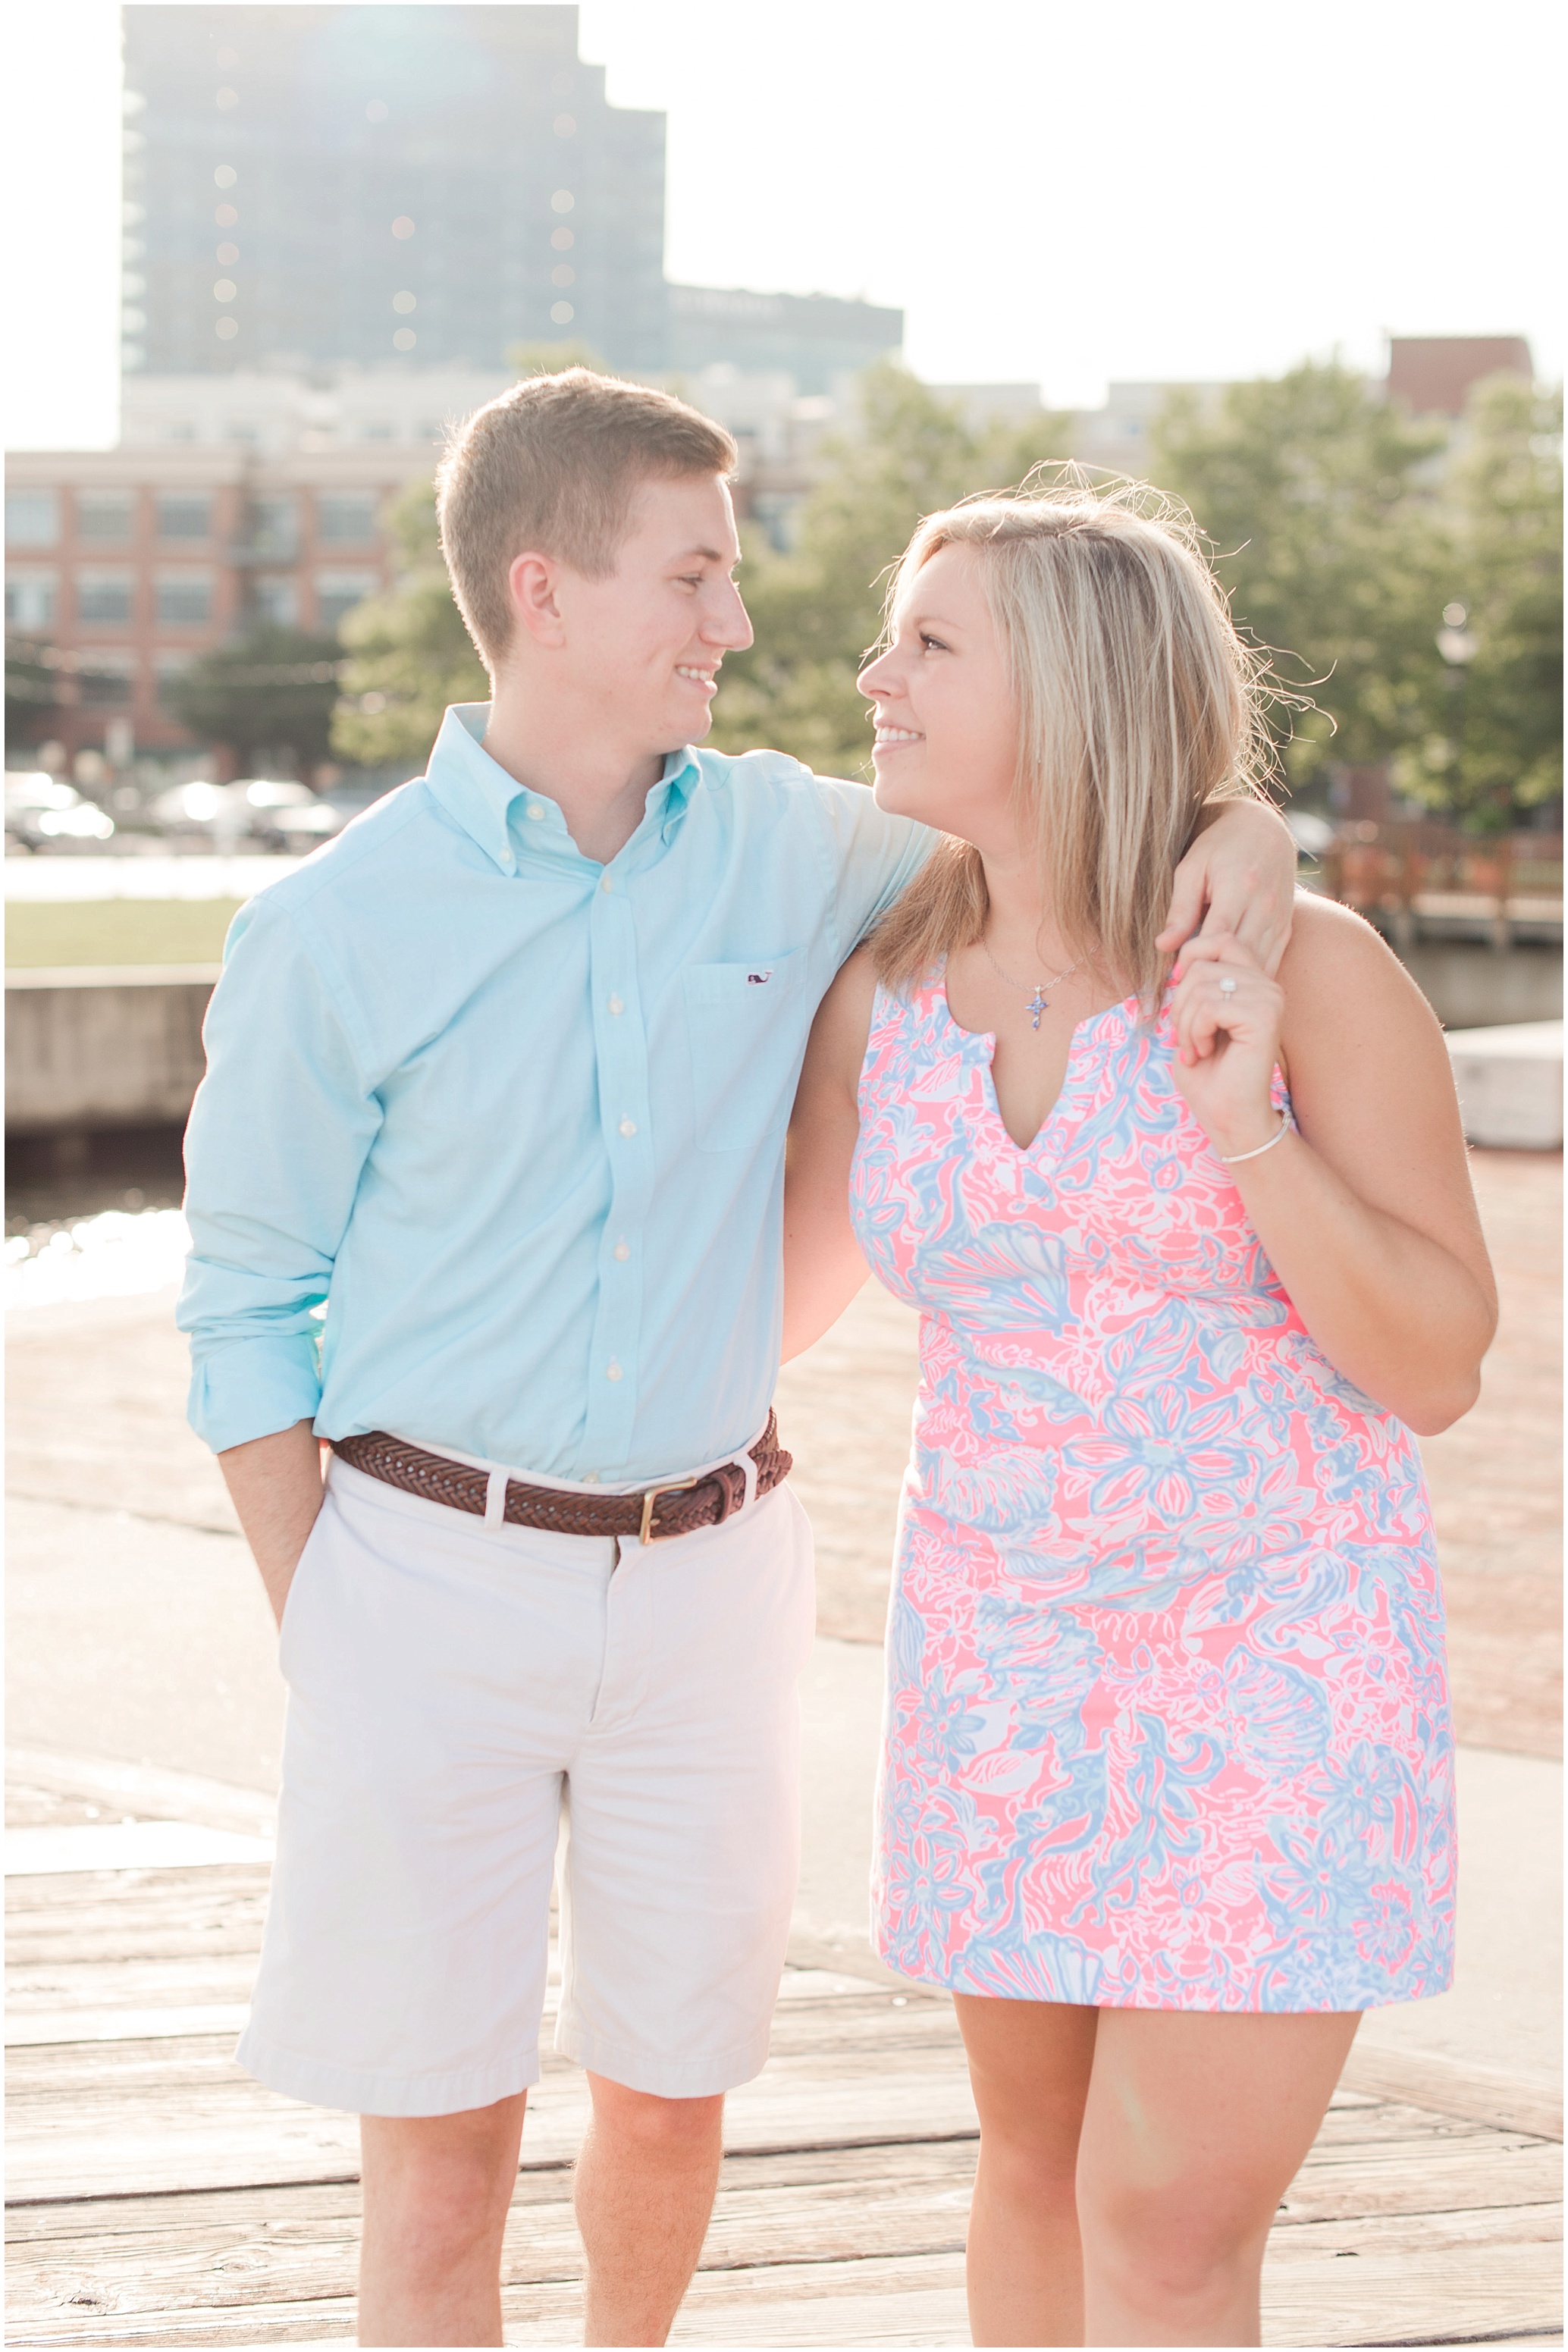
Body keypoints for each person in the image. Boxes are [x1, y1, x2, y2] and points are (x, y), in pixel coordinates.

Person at [178, 374, 1297, 2350]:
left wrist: (1251, 828)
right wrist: (323, 1611)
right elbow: (245, 1303)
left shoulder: (796, 847)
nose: (736, 620)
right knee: (439, 2161)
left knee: (675, 2097)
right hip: (418, 1574)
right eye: (695, 573)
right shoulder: (331, 927)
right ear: (547, 589)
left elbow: (1065, 803)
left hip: (711, 1577)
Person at [782, 480, 1495, 2349]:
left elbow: (1433, 1363)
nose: (873, 675)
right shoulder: (884, 986)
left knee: (1161, 2231)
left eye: (928, 643)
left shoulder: (1309, 970)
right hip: (994, 1664)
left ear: (1079, 687)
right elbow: (771, 1305)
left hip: (1269, 1664)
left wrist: (1240, 1112)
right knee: (1026, 2176)